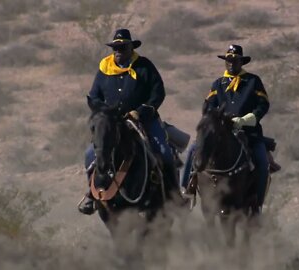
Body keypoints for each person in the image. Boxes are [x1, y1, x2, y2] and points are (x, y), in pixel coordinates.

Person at [78, 29, 177, 215]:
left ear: (131, 47)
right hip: (111, 122)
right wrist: (105, 111)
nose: (118, 51)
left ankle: (174, 196)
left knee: (164, 152)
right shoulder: (104, 67)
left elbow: (158, 93)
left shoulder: (144, 66)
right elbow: (94, 96)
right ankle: (93, 195)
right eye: (115, 47)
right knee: (91, 153)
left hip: (143, 120)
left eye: (122, 47)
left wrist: (141, 111)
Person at [180, 44, 271, 210]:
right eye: (228, 60)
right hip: (220, 132)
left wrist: (246, 119)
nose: (231, 63)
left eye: (235, 60)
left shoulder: (253, 81)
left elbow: (263, 104)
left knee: (262, 161)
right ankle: (187, 191)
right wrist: (215, 119)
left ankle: (257, 203)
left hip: (248, 132)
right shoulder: (218, 84)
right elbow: (208, 106)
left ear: (241, 62)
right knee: (194, 149)